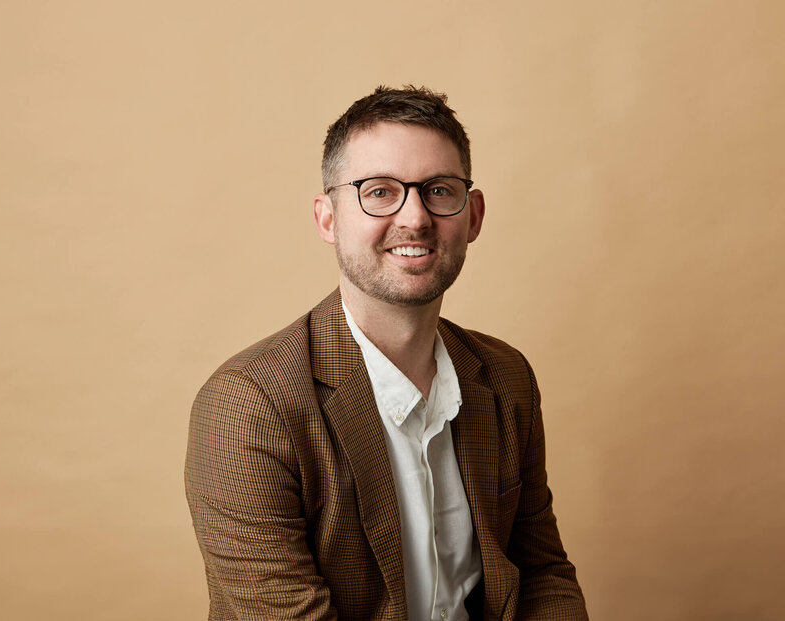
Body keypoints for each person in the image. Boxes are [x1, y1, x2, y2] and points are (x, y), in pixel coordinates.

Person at [185, 86, 588, 620]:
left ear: (473, 215)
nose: (415, 218)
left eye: (439, 190)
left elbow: (541, 575)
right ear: (327, 217)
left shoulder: (507, 377)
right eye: (379, 191)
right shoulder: (247, 406)